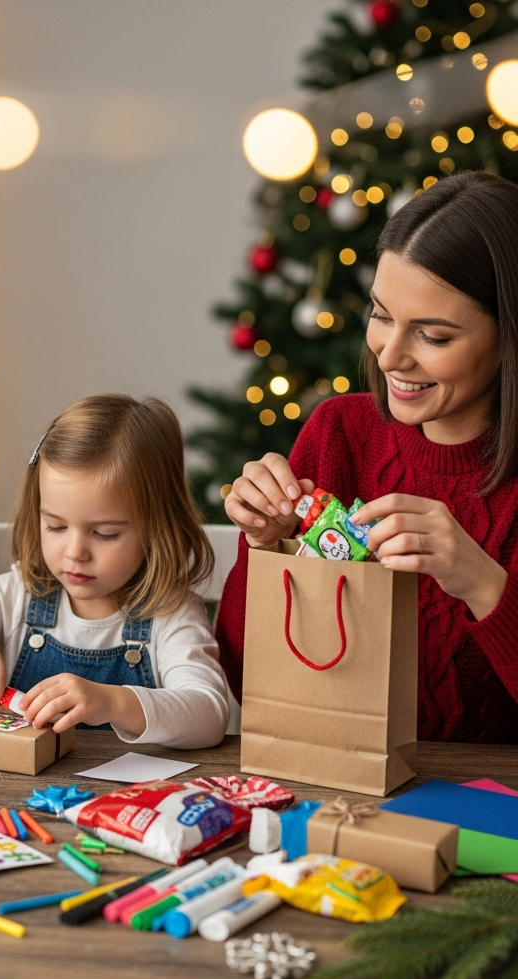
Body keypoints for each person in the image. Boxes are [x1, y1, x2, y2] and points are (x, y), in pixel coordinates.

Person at [218, 170, 518, 743]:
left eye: (433, 336)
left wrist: (483, 584)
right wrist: (265, 546)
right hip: (339, 791)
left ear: (509, 337)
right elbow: (243, 677)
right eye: (381, 316)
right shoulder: (340, 432)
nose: (389, 356)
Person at [0, 394, 231, 746]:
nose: (75, 552)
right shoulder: (17, 595)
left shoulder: (172, 613)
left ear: (157, 527)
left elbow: (209, 714)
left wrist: (111, 702)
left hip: (130, 798)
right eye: (56, 527)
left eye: (105, 533)